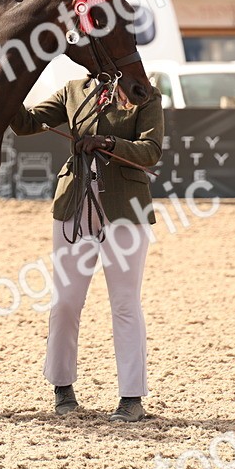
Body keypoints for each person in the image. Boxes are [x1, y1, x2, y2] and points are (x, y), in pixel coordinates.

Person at [10, 78, 164, 422]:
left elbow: (151, 149)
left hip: (125, 210)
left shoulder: (145, 93)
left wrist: (109, 142)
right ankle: (62, 387)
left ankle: (131, 397)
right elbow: (25, 124)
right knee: (65, 301)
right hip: (73, 206)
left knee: (124, 303)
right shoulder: (72, 90)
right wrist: (9, 84)